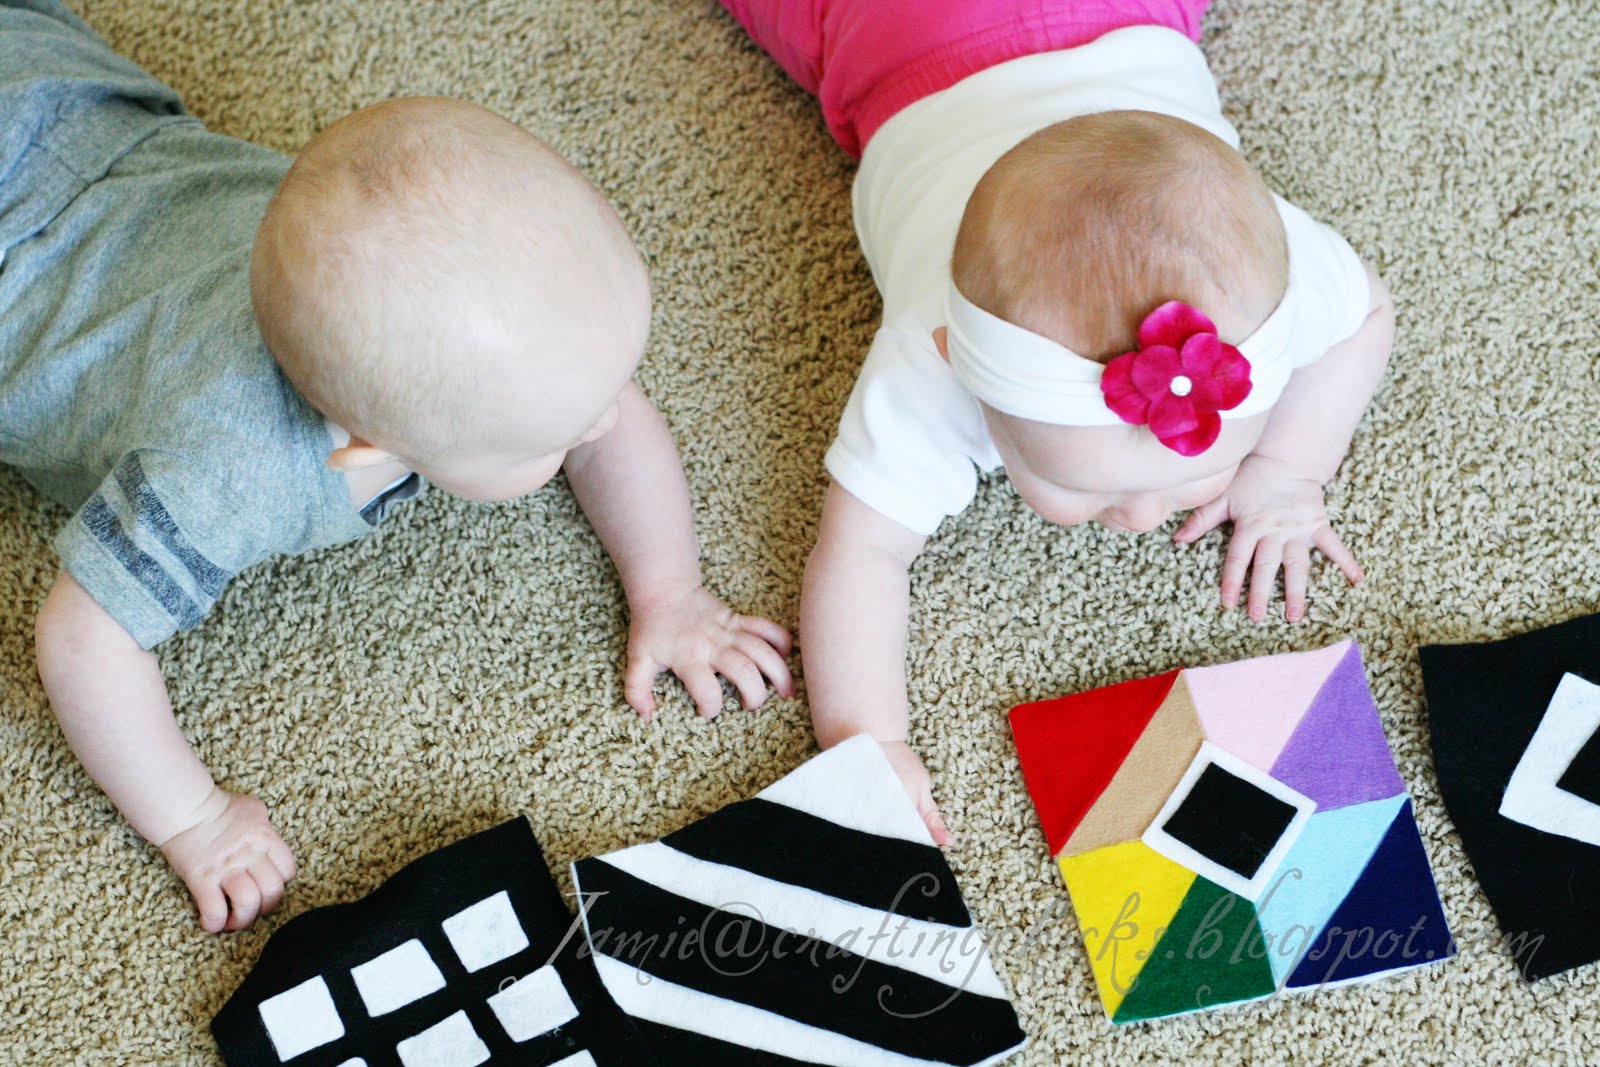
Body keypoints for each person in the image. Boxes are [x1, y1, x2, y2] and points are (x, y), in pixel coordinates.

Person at [2, 0, 793, 932]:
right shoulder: (232, 467)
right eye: (564, 433)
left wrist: (673, 590)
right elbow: (84, 638)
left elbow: (600, 414)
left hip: (61, 92)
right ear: (368, 453)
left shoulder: (356, 265)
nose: (611, 422)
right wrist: (196, 821)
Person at [718, 0, 1395, 841]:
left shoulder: (1276, 280)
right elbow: (859, 550)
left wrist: (1290, 474)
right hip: (892, 40)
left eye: (1192, 468)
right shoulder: (927, 367)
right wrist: (866, 739)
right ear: (958, 363)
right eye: (1077, 484)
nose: (1145, 518)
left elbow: (1365, 314)